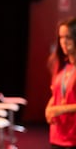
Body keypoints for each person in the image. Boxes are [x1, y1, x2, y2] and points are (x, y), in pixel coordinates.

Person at [45, 16, 76, 149]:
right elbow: (56, 94)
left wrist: (62, 109)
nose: (63, 42)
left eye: (68, 37)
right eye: (61, 37)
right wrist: (49, 107)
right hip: (57, 134)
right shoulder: (61, 66)